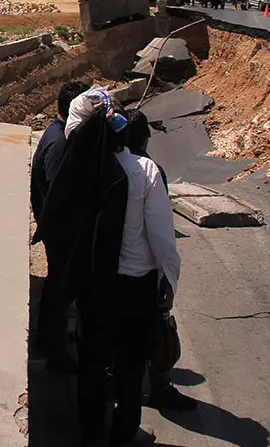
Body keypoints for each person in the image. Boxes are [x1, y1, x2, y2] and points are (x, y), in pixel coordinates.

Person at [40, 87, 181, 446]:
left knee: (92, 362)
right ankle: (122, 434)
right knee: (130, 368)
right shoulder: (144, 170)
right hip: (135, 288)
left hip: (93, 289)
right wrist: (169, 281)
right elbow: (163, 238)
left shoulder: (75, 173)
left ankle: (90, 433)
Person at [122, 109, 196, 412]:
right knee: (157, 331)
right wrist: (169, 275)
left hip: (111, 271)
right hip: (144, 271)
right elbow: (161, 232)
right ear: (146, 138)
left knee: (122, 336)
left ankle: (125, 387)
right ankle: (158, 388)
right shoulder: (151, 172)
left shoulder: (108, 165)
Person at [30, 81, 91, 370]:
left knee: (57, 285)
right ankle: (54, 351)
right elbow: (58, 191)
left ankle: (48, 339)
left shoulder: (58, 136)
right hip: (59, 231)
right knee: (59, 287)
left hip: (57, 228)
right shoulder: (59, 143)